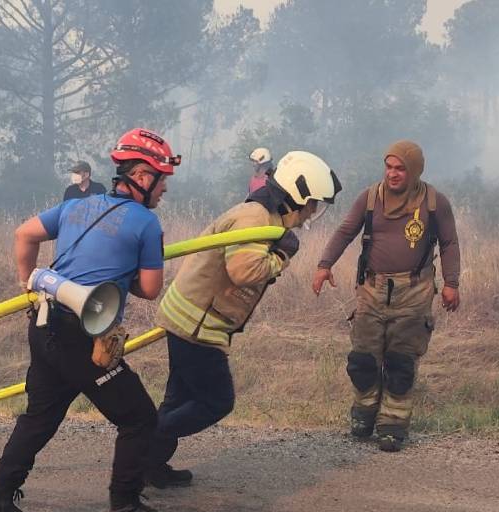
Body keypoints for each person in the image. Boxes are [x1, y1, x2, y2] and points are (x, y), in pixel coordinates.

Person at [0, 128, 181, 512]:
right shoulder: (146, 223)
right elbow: (150, 289)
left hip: (45, 324)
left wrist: (27, 283)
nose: (164, 190)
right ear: (142, 177)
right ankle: (125, 511)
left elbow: (23, 234)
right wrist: (124, 273)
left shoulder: (77, 206)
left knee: (39, 418)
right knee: (139, 418)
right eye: (162, 181)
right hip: (82, 336)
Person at [147, 151, 341, 488]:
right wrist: (281, 255)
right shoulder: (256, 219)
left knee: (179, 399)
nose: (313, 212)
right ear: (297, 196)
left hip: (190, 317)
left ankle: (149, 465)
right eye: (312, 204)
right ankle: (141, 443)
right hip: (198, 325)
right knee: (216, 401)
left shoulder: (264, 215)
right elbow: (245, 271)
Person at [311, 140, 461, 452]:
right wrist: (324, 265)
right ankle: (364, 415)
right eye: (388, 167)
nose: (392, 174)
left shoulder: (435, 203)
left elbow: (449, 243)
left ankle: (392, 426)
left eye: (400, 169)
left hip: (415, 291)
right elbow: (345, 231)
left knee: (400, 363)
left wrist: (451, 283)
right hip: (371, 290)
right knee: (362, 360)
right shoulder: (369, 198)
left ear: (414, 171)